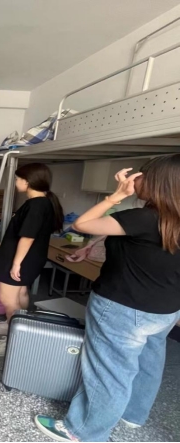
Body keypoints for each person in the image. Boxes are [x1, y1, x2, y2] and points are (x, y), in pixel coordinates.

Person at [34, 157, 180, 442]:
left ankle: (82, 431)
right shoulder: (164, 219)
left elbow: (82, 224)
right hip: (164, 310)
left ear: (157, 182)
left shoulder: (142, 218)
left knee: (109, 371)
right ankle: (133, 414)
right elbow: (144, 246)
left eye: (142, 175)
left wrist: (116, 196)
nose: (135, 179)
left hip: (123, 307)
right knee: (149, 361)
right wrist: (92, 248)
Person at [0, 163, 64, 357]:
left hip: (21, 258)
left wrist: (16, 263)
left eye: (18, 179)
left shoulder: (36, 205)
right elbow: (23, 233)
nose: (16, 182)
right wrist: (0, 245)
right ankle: (12, 325)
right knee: (21, 292)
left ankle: (14, 339)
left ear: (28, 182)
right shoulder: (41, 202)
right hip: (29, 256)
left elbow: (28, 237)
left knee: (8, 299)